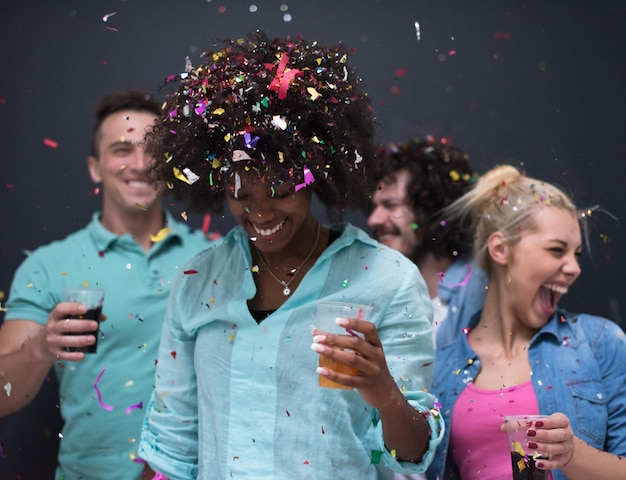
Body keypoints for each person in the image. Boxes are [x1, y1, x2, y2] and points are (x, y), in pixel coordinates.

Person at [137, 31, 444, 479]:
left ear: (313, 176)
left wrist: (384, 392)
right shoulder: (199, 279)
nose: (260, 211)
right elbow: (172, 446)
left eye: (279, 190)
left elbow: (413, 455)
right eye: (241, 192)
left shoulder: (387, 279)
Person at [0, 89, 212, 479]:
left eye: (153, 150)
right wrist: (41, 348)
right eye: (121, 149)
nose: (140, 164)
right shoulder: (47, 266)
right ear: (95, 167)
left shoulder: (214, 260)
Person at [427, 165, 626, 480]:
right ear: (501, 249)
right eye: (556, 250)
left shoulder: (600, 342)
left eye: (575, 254)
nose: (574, 268)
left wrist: (572, 454)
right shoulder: (444, 362)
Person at [367, 136, 487, 347]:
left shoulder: (482, 294)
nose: (373, 219)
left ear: (431, 209)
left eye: (391, 205)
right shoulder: (380, 298)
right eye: (375, 207)